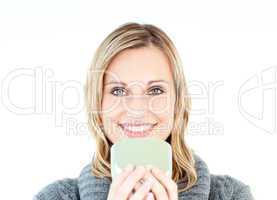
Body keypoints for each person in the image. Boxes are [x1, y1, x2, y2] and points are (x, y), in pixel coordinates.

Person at [34, 22, 254, 200]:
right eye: (118, 91)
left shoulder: (231, 196)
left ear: (178, 102)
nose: (137, 109)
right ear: (97, 104)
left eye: (156, 90)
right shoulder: (53, 198)